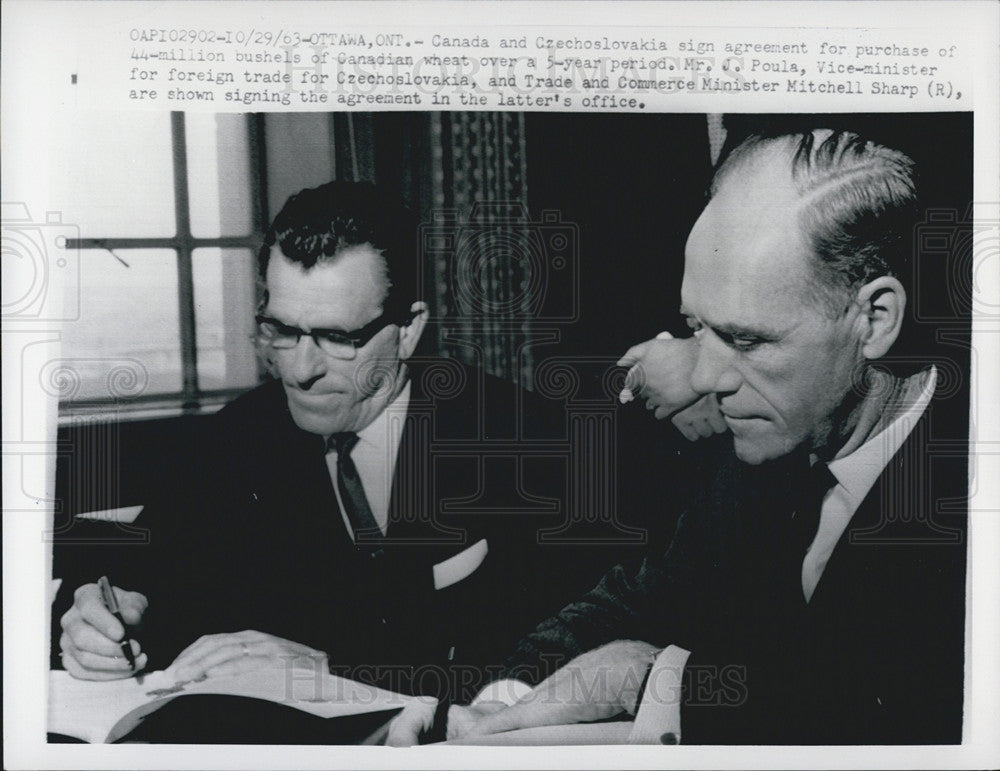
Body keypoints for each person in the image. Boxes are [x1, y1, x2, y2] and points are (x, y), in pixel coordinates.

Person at [389, 129, 968, 745]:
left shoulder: (965, 498)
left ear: (874, 319)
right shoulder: (764, 455)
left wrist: (647, 678)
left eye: (747, 341)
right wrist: (497, 710)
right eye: (697, 330)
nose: (705, 377)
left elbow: (888, 713)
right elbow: (629, 600)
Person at [52, 181, 616, 709]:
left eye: (337, 338)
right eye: (283, 330)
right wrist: (104, 625)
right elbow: (143, 588)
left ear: (410, 328)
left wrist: (337, 671)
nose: (299, 370)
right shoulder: (232, 440)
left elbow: (561, 663)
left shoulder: (529, 439)